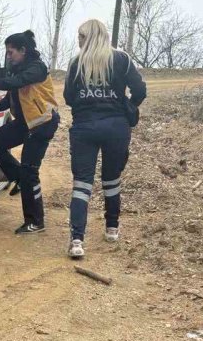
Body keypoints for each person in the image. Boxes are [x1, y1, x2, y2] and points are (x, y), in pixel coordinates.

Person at [63, 19, 147, 259]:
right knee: (111, 179)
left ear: (88, 37)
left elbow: (69, 97)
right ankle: (112, 228)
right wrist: (127, 106)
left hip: (84, 127)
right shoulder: (121, 59)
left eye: (81, 36)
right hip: (116, 127)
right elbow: (140, 90)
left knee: (82, 184)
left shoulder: (75, 64)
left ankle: (77, 240)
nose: (78, 41)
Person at [0, 30, 60, 234]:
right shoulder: (17, 69)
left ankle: (35, 222)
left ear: (23, 50)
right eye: (7, 53)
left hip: (42, 123)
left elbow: (18, 83)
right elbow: (12, 97)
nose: (8, 56)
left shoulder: (37, 68)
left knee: (29, 172)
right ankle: (16, 176)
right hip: (25, 122)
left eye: (11, 52)